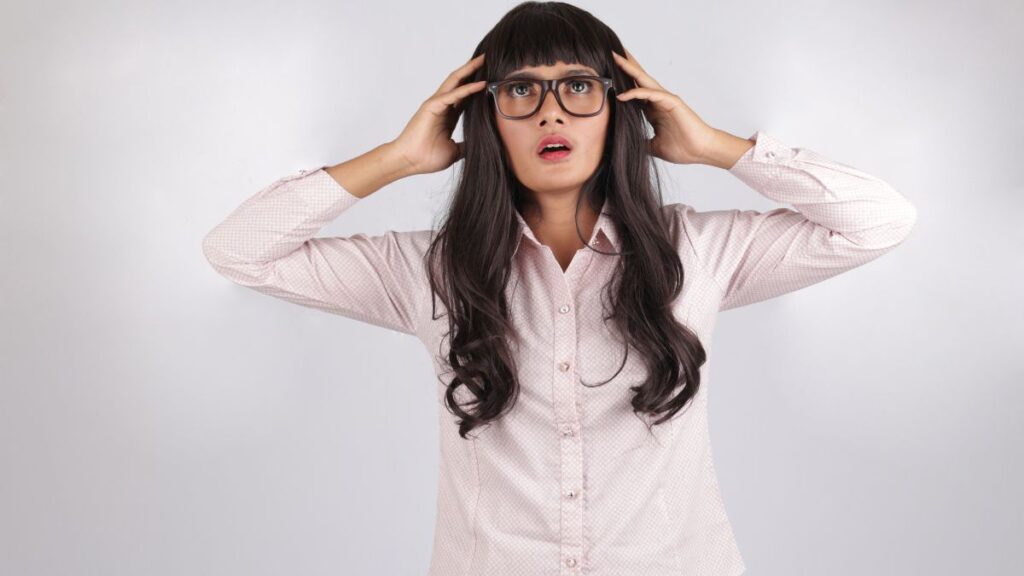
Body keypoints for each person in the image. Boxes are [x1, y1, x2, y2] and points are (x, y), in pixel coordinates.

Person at [202, 2, 917, 574]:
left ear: (619, 107)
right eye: (521, 91)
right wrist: (394, 158)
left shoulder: (698, 251)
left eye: (579, 86)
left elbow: (878, 221)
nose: (551, 112)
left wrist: (713, 146)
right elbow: (238, 250)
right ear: (486, 118)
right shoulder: (430, 271)